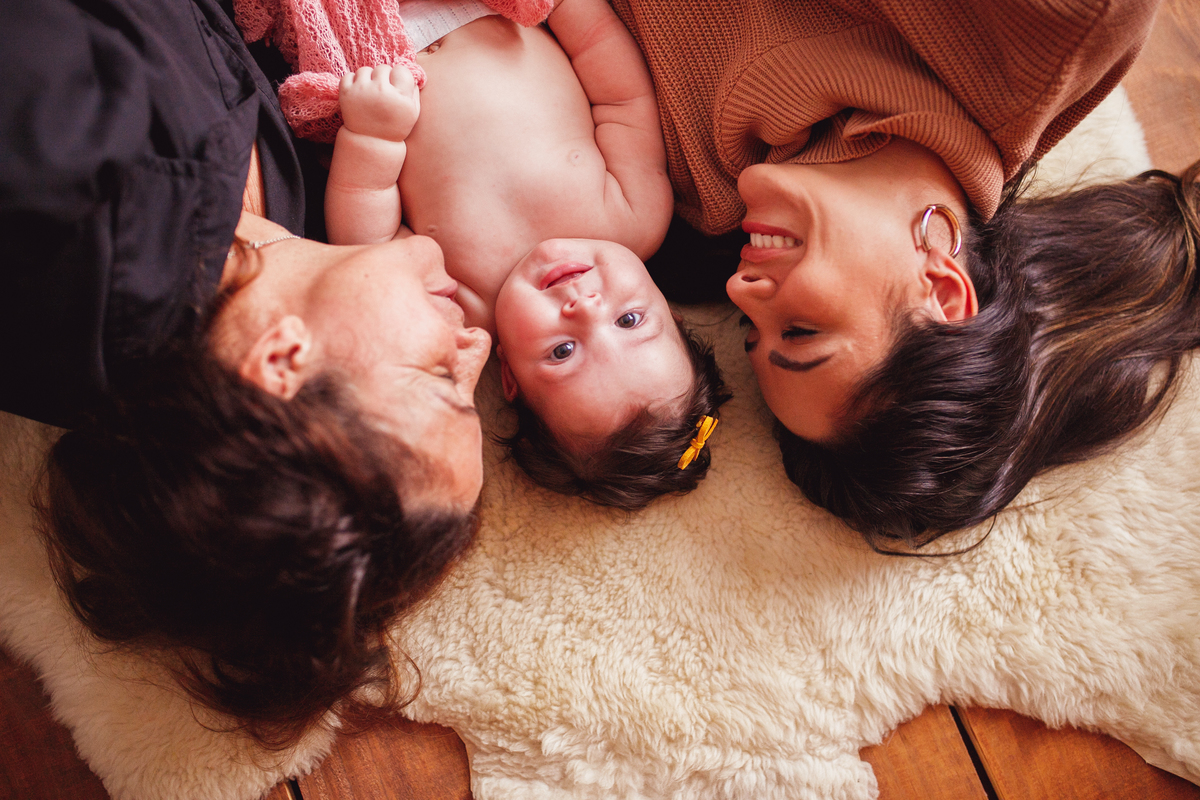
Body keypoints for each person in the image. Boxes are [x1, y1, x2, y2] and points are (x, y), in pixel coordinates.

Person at [0, 0, 489, 747]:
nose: (477, 345)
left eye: (442, 379)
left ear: (281, 365)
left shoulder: (59, 185)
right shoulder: (292, 229)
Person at [607, 0, 1191, 548]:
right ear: (941, 288)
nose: (740, 289)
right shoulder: (1049, 31)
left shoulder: (678, 202)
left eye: (751, 331)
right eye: (801, 331)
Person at [310, 0, 730, 508]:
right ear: (669, 307)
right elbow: (621, 95)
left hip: (365, 52)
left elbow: (368, 247)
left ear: (508, 373)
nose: (585, 308)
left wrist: (370, 136)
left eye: (562, 352)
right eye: (630, 319)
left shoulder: (462, 308)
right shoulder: (637, 215)